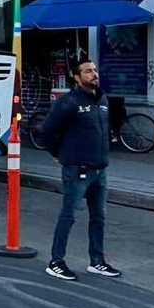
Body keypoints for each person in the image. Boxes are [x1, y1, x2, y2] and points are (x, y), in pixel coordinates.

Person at [40, 59, 120, 281]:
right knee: (69, 216)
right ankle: (56, 261)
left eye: (94, 70)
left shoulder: (103, 99)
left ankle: (97, 261)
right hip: (77, 170)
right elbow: (46, 133)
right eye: (87, 71)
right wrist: (59, 155)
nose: (94, 74)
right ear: (76, 77)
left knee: (99, 217)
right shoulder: (69, 102)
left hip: (100, 169)